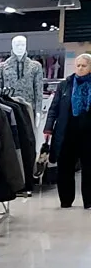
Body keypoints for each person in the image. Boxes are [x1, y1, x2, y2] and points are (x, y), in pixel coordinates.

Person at [45, 52, 91, 208]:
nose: (80, 68)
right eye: (78, 65)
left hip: (88, 134)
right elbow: (54, 108)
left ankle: (89, 201)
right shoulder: (65, 84)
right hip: (66, 132)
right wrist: (48, 127)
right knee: (64, 167)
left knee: (89, 168)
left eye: (84, 65)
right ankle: (65, 200)